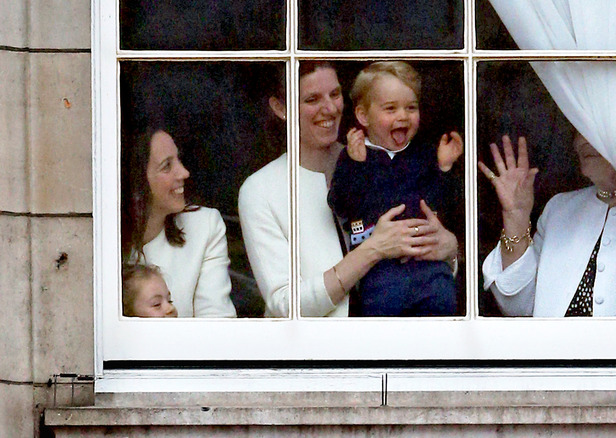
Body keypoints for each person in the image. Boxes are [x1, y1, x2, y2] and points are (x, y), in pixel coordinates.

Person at [239, 61, 459, 318]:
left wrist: (449, 249)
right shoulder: (260, 190)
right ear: (281, 108)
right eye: (312, 99)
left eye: (335, 95)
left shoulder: (377, 158)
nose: (330, 109)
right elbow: (284, 304)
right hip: (316, 352)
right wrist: (373, 250)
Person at [328, 61, 462, 316]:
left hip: (428, 264)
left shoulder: (424, 154)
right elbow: (341, 204)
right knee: (382, 320)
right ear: (363, 116)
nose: (403, 116)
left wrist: (443, 168)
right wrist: (357, 166)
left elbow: (445, 204)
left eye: (411, 108)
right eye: (391, 108)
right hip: (380, 270)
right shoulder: (355, 157)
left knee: (443, 304)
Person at [479, 133, 616, 317]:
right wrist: (515, 217)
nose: (582, 139)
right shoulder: (559, 208)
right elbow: (515, 304)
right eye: (577, 129)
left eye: (592, 128)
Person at [122, 128, 237, 318]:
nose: (184, 172)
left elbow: (216, 323)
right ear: (136, 180)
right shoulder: (103, 239)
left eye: (179, 160)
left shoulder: (204, 225)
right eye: (167, 166)